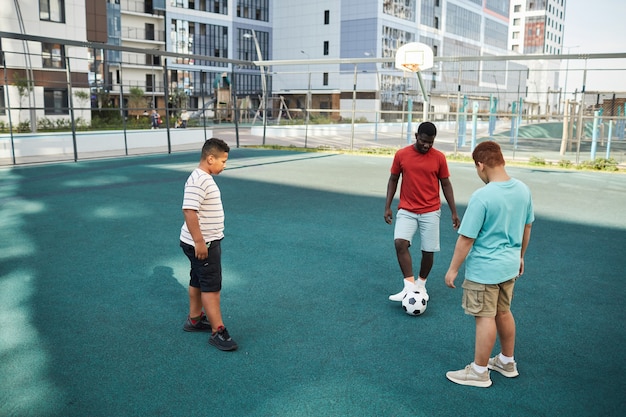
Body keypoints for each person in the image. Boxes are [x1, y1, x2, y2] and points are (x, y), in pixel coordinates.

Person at [444, 141, 533, 387]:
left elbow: (466, 238)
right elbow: (527, 226)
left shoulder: (482, 196)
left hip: (484, 269)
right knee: (503, 312)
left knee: (484, 317)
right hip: (509, 266)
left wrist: (452, 269)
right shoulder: (523, 190)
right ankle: (506, 361)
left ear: (480, 165)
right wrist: (521, 256)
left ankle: (479, 371)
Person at [384, 121, 460, 303]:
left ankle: (421, 284)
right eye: (423, 141)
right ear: (416, 136)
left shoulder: (439, 158)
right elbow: (393, 179)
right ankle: (409, 287)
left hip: (431, 211)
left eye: (431, 142)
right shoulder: (402, 155)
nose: (426, 145)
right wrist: (387, 206)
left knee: (428, 251)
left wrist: (454, 211)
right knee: (400, 243)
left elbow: (446, 184)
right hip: (407, 209)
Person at [180, 138, 238, 351]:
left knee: (198, 280)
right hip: (203, 244)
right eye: (223, 161)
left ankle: (195, 319)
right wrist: (199, 242)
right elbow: (189, 210)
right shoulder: (199, 180)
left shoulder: (203, 177)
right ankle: (218, 331)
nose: (224, 165)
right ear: (210, 158)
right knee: (212, 287)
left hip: (201, 242)